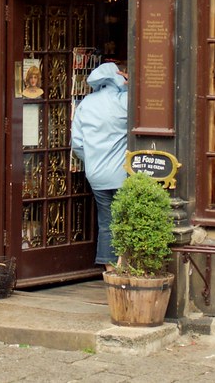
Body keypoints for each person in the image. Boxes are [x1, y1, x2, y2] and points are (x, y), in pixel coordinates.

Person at [70, 62, 128, 272]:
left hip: (96, 175)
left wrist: (92, 161)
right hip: (123, 174)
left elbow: (77, 143)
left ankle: (109, 267)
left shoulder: (86, 103)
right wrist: (131, 85)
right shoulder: (124, 100)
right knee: (125, 221)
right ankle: (125, 267)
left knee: (107, 222)